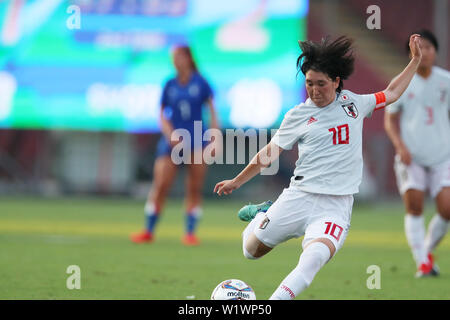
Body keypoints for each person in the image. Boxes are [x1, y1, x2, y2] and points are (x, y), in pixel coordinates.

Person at [214, 34, 422, 299]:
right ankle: (262, 213)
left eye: (321, 84)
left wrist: (415, 61)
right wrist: (237, 181)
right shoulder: (298, 115)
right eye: (309, 83)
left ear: (336, 82)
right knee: (250, 250)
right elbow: (269, 153)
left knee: (312, 261)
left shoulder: (355, 104)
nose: (314, 90)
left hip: (335, 206)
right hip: (298, 197)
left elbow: (391, 92)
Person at [131, 45, 219, 246]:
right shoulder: (169, 84)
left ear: (188, 58)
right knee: (161, 184)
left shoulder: (201, 82)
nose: (175, 61)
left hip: (197, 138)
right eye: (173, 57)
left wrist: (214, 138)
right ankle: (149, 230)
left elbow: (212, 111)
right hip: (173, 142)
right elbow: (161, 113)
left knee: (194, 187)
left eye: (179, 57)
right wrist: (170, 134)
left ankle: (190, 232)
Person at [384, 29, 450, 277]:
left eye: (429, 47)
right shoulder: (402, 82)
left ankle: (426, 251)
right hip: (411, 156)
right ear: (410, 54)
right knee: (414, 206)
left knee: (447, 209)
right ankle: (423, 262)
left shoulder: (446, 81)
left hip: (443, 155)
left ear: (436, 51)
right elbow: (390, 121)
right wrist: (400, 146)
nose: (425, 52)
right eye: (419, 48)